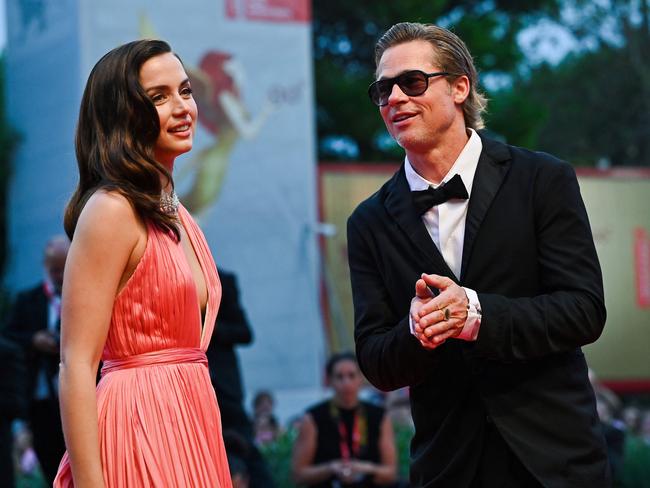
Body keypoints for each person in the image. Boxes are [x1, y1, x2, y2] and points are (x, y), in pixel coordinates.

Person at [347, 22, 610, 487]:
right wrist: (416, 332)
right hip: (448, 466)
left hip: (555, 461)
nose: (395, 99)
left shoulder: (542, 180)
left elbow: (584, 311)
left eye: (412, 82)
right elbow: (375, 360)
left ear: (459, 87)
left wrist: (475, 313)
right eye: (382, 89)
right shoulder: (368, 221)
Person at [52, 40, 232, 487]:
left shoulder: (177, 212)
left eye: (185, 91)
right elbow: (75, 364)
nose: (182, 107)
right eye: (158, 97)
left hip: (192, 417)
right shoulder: (111, 210)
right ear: (122, 114)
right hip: (136, 424)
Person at [3, 236, 69, 484]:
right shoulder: (27, 300)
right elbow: (8, 337)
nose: (60, 276)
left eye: (64, 268)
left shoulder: (85, 292)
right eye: (55, 270)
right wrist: (34, 340)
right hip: (40, 399)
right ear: (45, 266)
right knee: (50, 464)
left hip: (77, 395)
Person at [206, 269, 275, 486]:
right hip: (190, 386)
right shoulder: (169, 275)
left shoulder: (222, 280)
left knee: (245, 448)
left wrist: (212, 329)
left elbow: (245, 332)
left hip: (225, 386)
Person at [291, 352, 397, 487]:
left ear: (361, 379)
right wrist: (330, 468)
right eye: (339, 377)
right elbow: (299, 474)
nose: (346, 383)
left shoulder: (379, 416)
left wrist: (364, 468)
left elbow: (390, 473)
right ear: (329, 381)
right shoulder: (313, 417)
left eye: (351, 376)